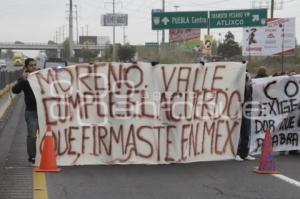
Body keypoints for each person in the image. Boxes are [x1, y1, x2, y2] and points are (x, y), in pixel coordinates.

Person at [12, 58, 39, 164]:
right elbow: (15, 90)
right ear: (27, 67)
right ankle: (32, 157)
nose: (34, 67)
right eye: (32, 65)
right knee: (32, 135)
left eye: (35, 65)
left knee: (46, 134)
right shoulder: (24, 79)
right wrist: (23, 79)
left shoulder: (40, 75)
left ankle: (44, 155)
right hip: (31, 112)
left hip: (43, 112)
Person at [235, 71, 255, 161]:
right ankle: (237, 153)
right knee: (238, 132)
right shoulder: (238, 84)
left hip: (247, 109)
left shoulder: (249, 85)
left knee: (246, 131)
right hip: (239, 109)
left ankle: (245, 153)